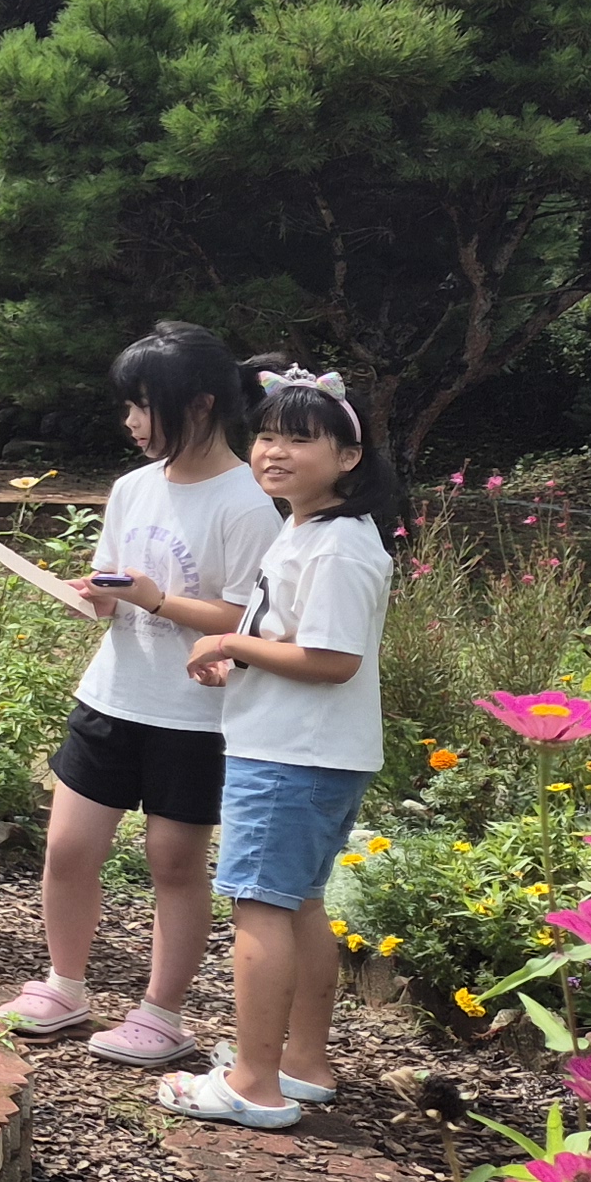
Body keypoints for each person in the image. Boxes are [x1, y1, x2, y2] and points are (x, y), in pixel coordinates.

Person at [0, 325, 275, 1071]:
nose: (131, 422)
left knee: (174, 863)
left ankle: (163, 1012)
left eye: (144, 406)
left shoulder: (248, 502)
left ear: (202, 405)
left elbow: (251, 621)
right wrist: (94, 597)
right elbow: (115, 591)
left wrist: (157, 599)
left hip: (195, 715)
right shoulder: (131, 489)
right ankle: (65, 985)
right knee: (67, 848)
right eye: (128, 406)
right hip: (112, 696)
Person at [164, 371, 401, 1130]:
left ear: (349, 456)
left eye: (300, 438)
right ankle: (303, 1065)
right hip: (312, 749)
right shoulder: (309, 529)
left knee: (260, 904)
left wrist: (231, 639)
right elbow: (297, 643)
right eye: (267, 434)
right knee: (297, 902)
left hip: (292, 757)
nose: (274, 451)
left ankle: (253, 1083)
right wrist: (246, 654)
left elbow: (333, 659)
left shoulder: (334, 546)